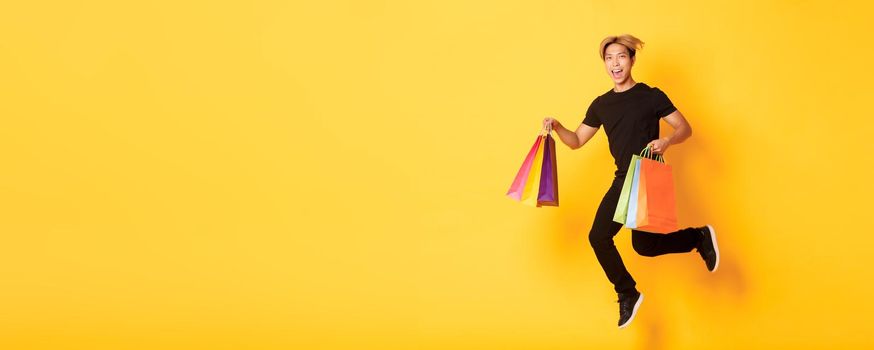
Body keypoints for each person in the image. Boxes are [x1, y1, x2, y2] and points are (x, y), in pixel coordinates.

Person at [542, 34, 720, 329]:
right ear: (605, 64)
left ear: (632, 60)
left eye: (621, 57)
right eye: (610, 58)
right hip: (624, 177)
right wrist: (558, 126)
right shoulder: (601, 105)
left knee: (626, 242)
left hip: (647, 174)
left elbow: (684, 128)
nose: (615, 63)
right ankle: (688, 244)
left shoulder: (651, 96)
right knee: (623, 241)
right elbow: (576, 141)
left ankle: (689, 243)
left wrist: (667, 141)